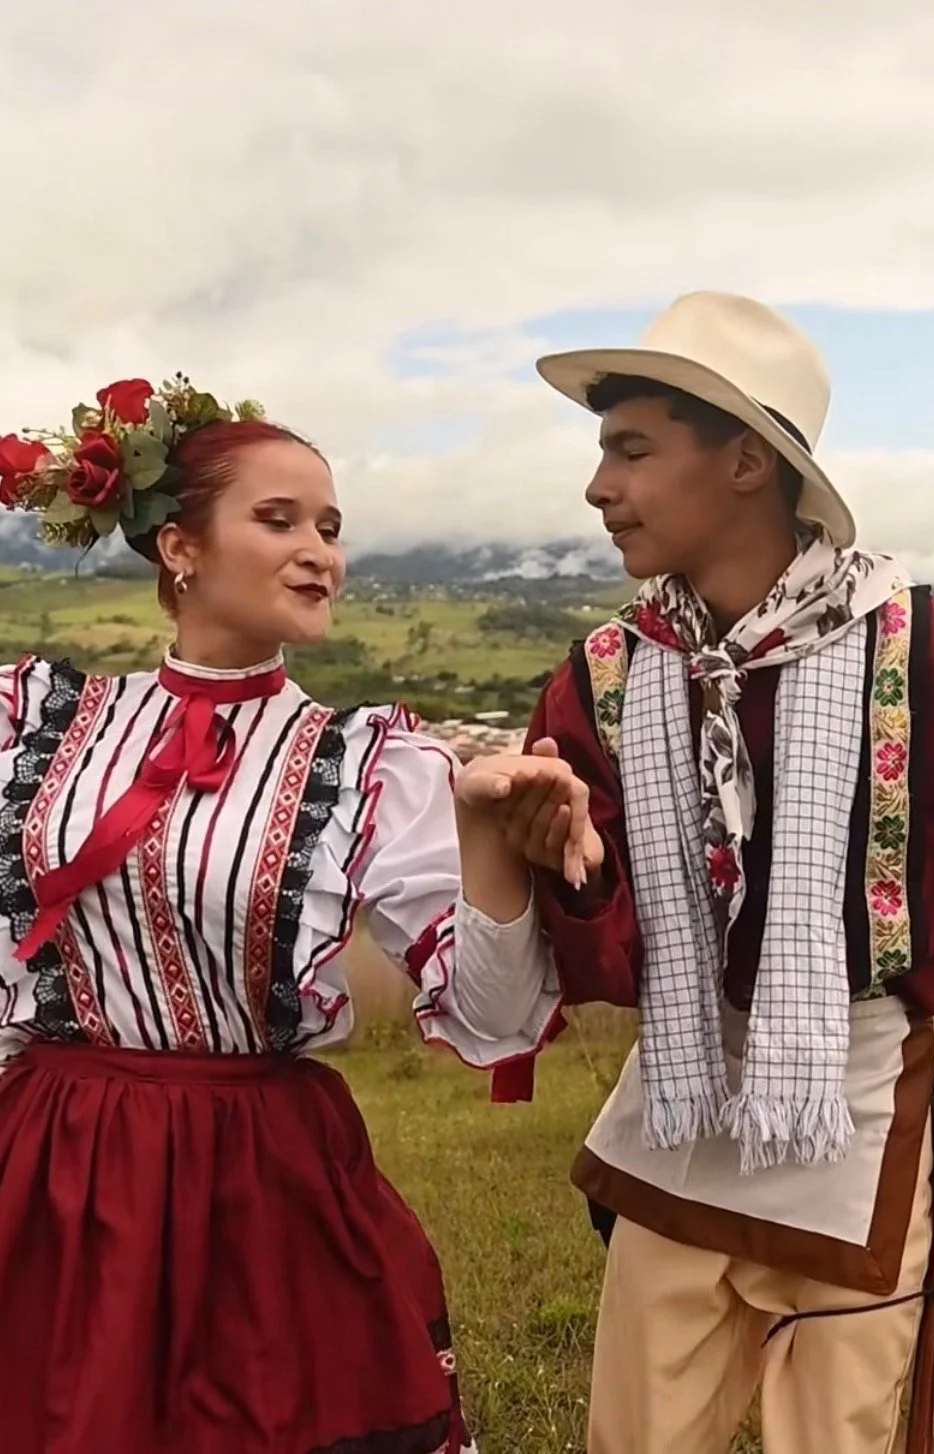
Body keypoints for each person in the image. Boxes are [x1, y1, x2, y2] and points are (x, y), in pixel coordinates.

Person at [0, 375, 601, 1454]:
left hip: (259, 1174)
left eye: (329, 526)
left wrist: (484, 842)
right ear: (178, 546)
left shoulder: (368, 763)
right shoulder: (46, 725)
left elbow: (496, 1019)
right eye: (277, 519)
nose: (319, 549)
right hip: (60, 1161)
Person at [501, 292, 934, 1453]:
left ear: (746, 462)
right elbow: (599, 935)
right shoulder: (605, 679)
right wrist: (560, 865)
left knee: (837, 1436)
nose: (597, 487)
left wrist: (928, 928)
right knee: (636, 1432)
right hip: (682, 1105)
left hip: (858, 1102)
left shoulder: (927, 653)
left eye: (629, 448)